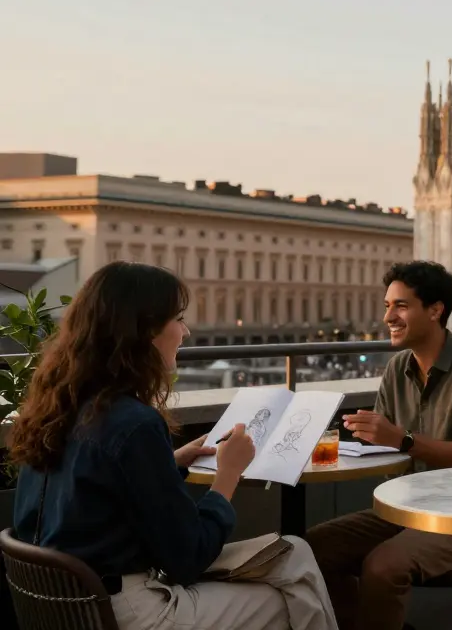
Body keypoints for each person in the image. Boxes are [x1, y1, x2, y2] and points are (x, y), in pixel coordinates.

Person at [7, 262, 338, 630]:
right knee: (291, 592)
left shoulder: (53, 410)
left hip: (65, 608)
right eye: (178, 318)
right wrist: (227, 475)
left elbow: (95, 488)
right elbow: (188, 557)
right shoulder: (135, 424)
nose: (185, 331)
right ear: (146, 330)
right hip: (125, 612)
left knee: (295, 557)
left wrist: (172, 461)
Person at [306, 261, 452, 630]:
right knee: (310, 549)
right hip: (405, 509)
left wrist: (401, 439)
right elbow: (389, 452)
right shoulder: (396, 368)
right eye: (387, 306)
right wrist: (366, 440)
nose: (388, 316)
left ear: (435, 310)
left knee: (383, 567)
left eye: (400, 306)